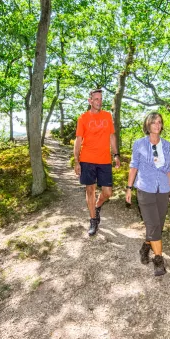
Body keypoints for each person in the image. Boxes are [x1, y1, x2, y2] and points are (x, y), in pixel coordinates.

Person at [125, 112, 170, 276]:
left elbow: (168, 169)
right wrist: (128, 188)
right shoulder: (139, 144)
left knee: (158, 226)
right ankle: (159, 261)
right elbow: (134, 166)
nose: (157, 125)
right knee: (153, 225)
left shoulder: (167, 145)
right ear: (148, 125)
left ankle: (145, 248)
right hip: (145, 188)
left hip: (162, 189)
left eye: (159, 122)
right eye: (154, 122)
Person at [74, 88, 120, 236]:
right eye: (96, 99)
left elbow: (112, 137)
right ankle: (93, 219)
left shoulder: (107, 116)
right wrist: (76, 161)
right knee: (90, 190)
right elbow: (78, 140)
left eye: (100, 99)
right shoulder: (83, 118)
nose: (99, 102)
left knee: (107, 192)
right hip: (87, 159)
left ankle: (98, 206)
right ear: (90, 101)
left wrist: (116, 154)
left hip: (104, 160)